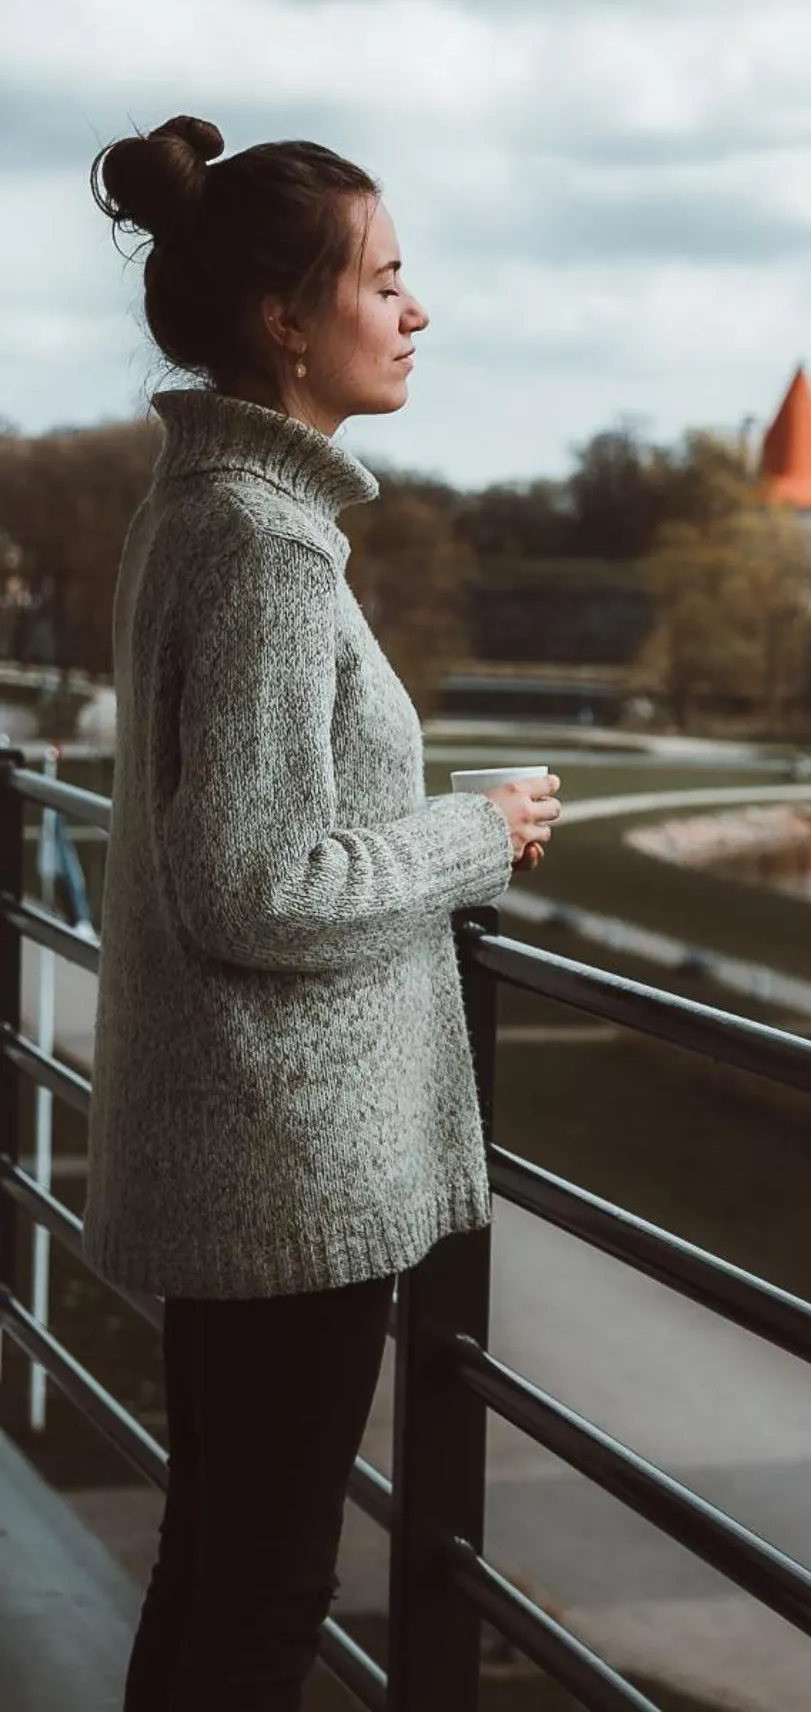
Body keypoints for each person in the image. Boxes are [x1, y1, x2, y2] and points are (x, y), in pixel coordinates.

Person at [84, 113, 562, 1711]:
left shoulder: (204, 513)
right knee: (266, 1591)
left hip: (241, 1142)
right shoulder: (266, 550)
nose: (417, 311)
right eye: (387, 278)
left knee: (217, 1561)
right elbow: (261, 880)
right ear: (287, 322)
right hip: (287, 1161)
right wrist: (475, 834)